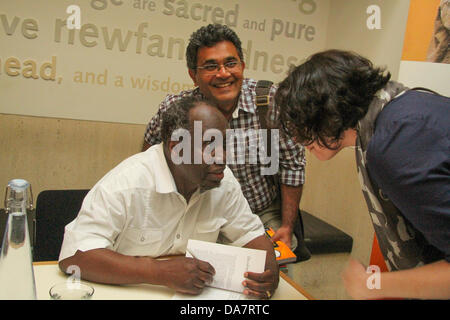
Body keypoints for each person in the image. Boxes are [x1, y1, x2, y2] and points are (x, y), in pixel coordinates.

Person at [59, 96, 279, 299]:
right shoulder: (126, 184)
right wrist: (158, 272)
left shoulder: (223, 181)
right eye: (209, 146)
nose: (222, 157)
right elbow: (74, 258)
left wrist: (269, 272)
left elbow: (252, 235)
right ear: (177, 149)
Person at [274, 49, 450, 299]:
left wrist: (375, 285)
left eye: (300, 124)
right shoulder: (404, 108)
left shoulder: (395, 142)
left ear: (327, 111)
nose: (295, 138)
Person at [142, 24, 310, 260]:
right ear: (193, 75)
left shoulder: (270, 103)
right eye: (211, 66)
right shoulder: (176, 109)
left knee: (271, 277)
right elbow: (150, 159)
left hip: (261, 211)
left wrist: (287, 225)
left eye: (231, 63)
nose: (223, 73)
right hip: (199, 212)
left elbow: (292, 166)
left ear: (242, 65)